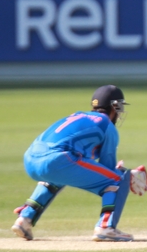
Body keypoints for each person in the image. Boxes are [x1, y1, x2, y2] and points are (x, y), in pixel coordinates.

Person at [11, 85, 138, 242]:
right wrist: (122, 173)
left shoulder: (76, 116)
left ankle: (25, 219)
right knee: (118, 180)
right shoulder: (107, 125)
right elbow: (109, 171)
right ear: (114, 106)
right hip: (58, 159)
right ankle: (106, 228)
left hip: (30, 159)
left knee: (57, 177)